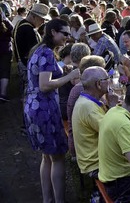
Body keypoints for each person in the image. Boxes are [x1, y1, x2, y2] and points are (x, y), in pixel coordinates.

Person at [24, 19, 81, 203]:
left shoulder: (38, 50)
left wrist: (63, 69)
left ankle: (48, 199)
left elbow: (42, 77)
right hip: (44, 109)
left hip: (33, 108)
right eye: (65, 33)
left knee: (46, 157)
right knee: (57, 158)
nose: (67, 37)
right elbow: (45, 85)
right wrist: (71, 76)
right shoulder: (47, 53)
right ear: (53, 32)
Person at [72, 67, 118, 178]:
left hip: (95, 159)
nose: (110, 81)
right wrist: (112, 106)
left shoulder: (87, 101)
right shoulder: (88, 107)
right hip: (95, 165)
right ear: (98, 84)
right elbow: (113, 132)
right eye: (107, 78)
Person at [0, 11, 13, 101]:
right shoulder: (6, 22)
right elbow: (13, 32)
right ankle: (3, 94)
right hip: (5, 50)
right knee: (5, 71)